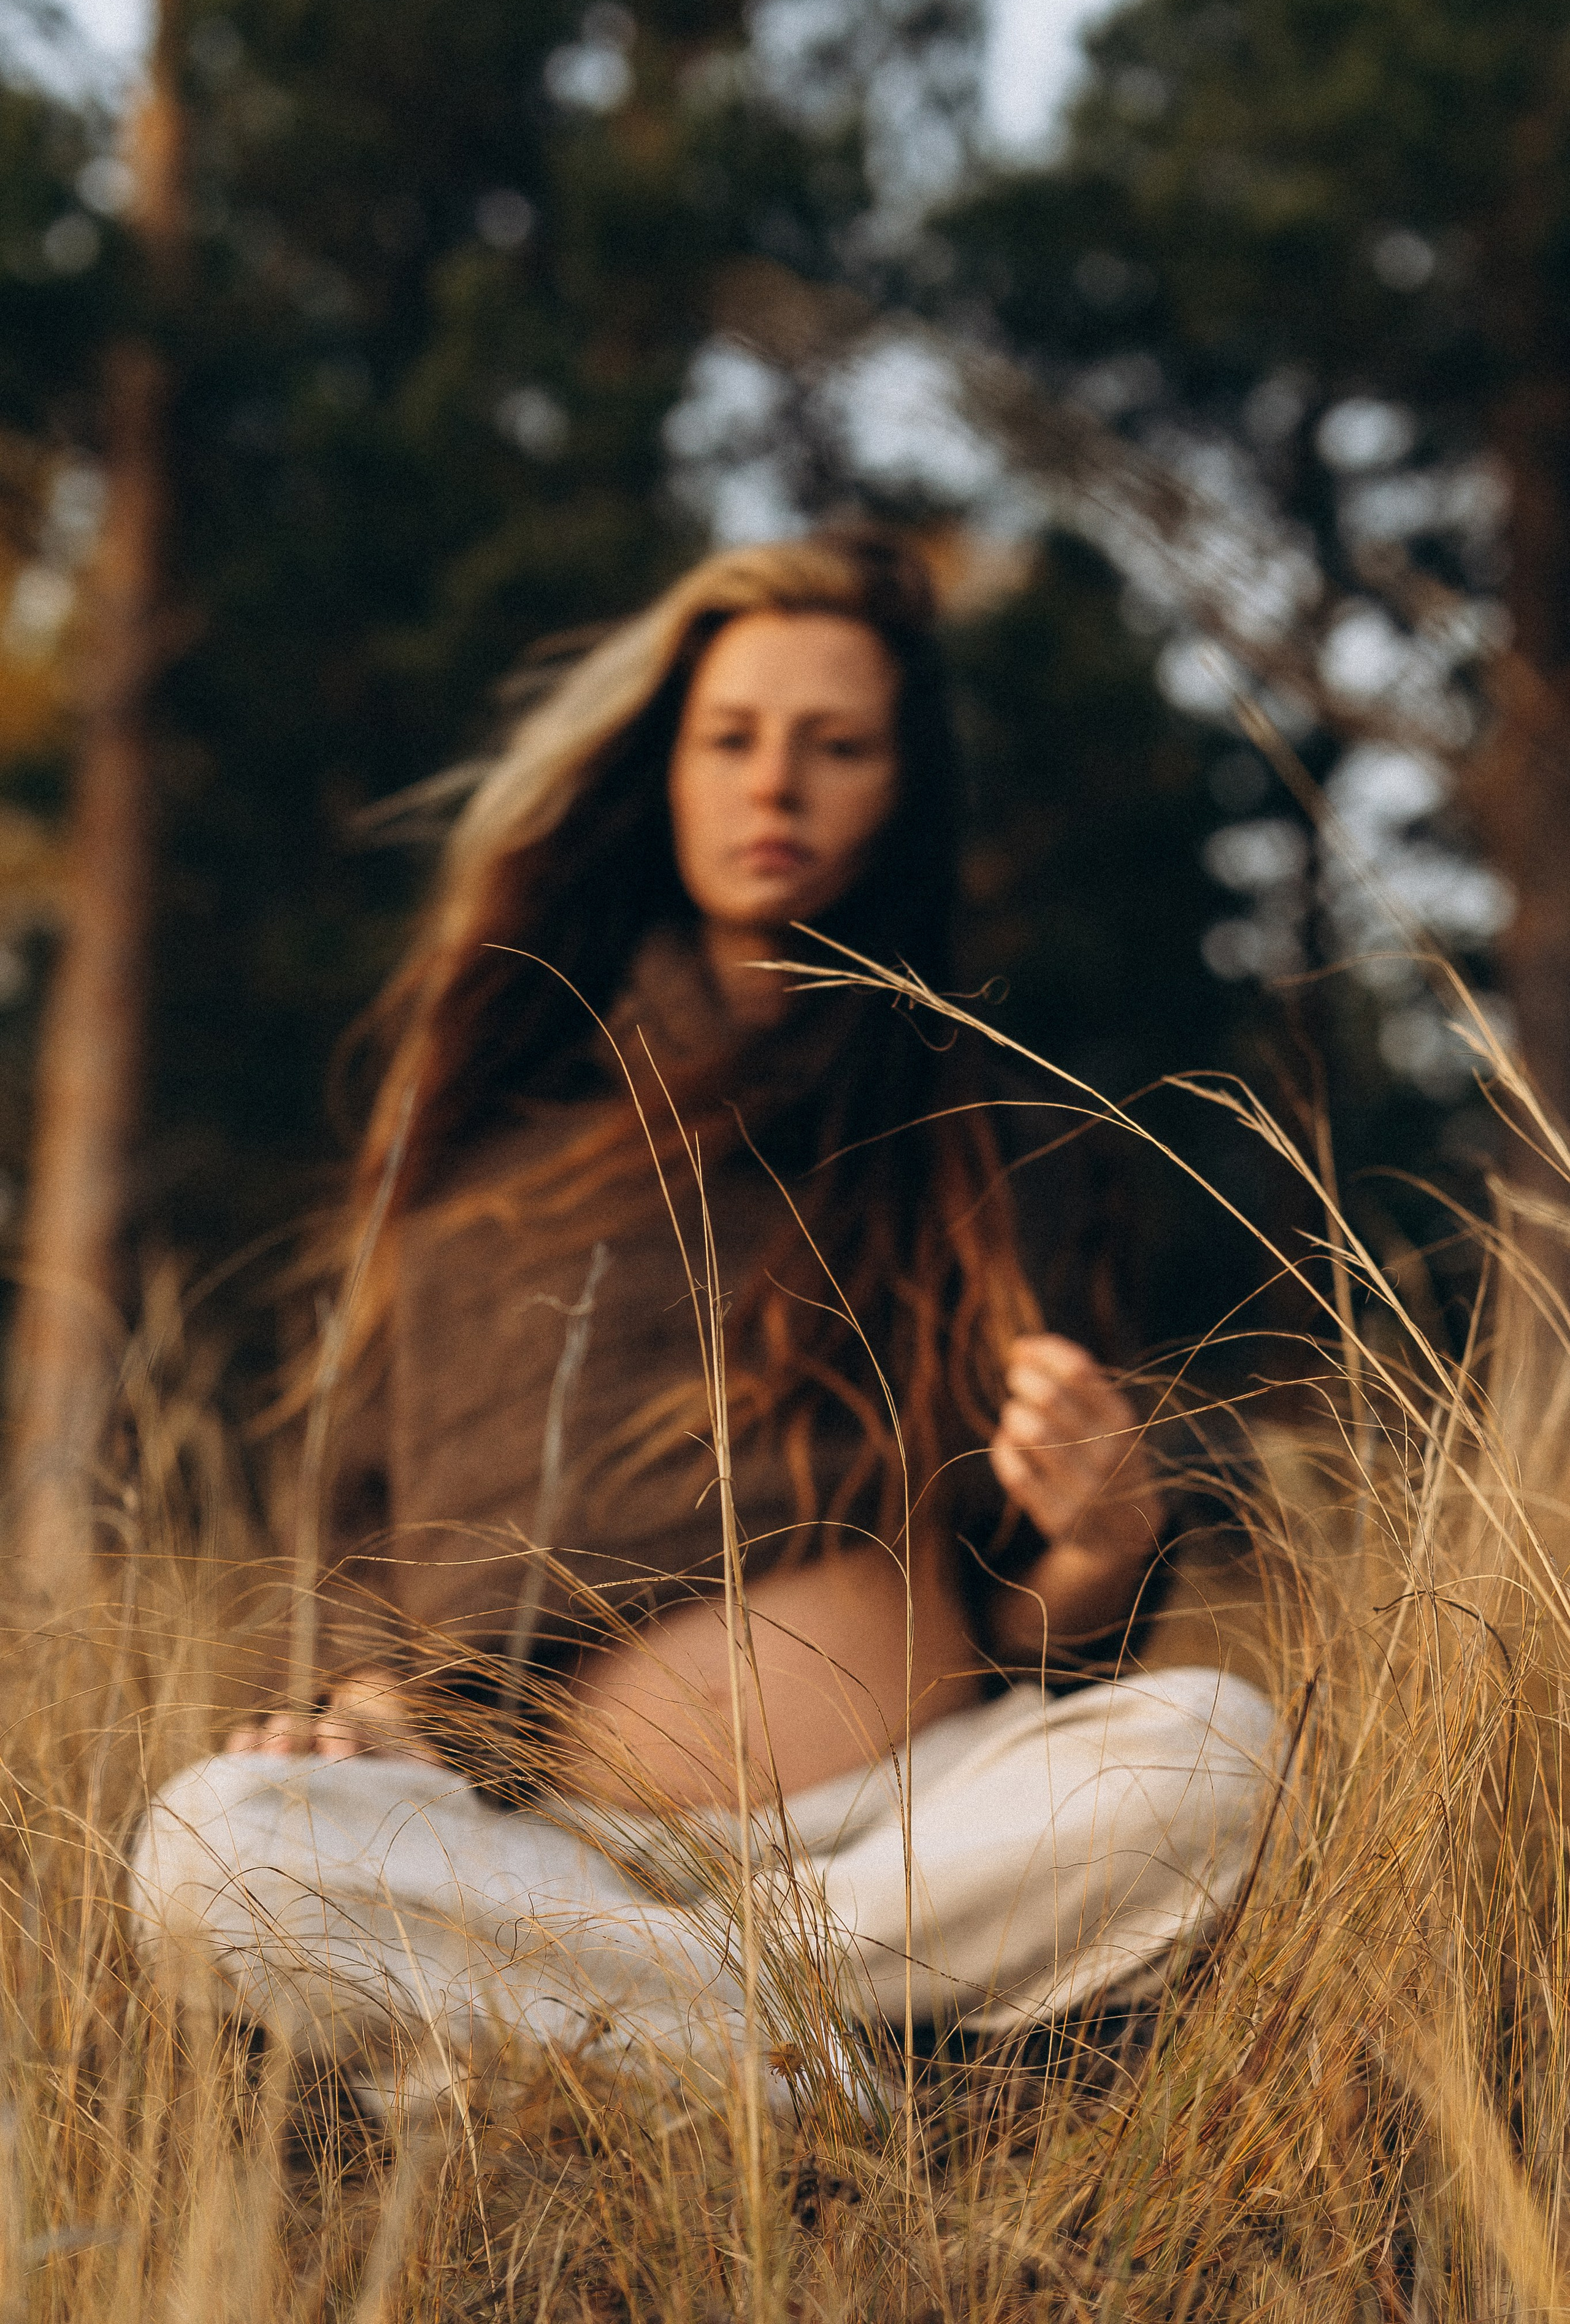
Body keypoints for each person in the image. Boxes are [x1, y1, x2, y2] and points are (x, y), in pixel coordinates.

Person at [130, 532, 1276, 2114]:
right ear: (661, 772)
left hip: (910, 1837)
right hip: (552, 1844)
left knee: (1212, 1745)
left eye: (838, 747)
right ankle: (815, 2068)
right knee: (214, 1846)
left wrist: (1105, 1534)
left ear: (905, 786)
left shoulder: (990, 1128)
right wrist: (361, 1709)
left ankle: (627, 2039)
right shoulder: (503, 1147)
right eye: (731, 740)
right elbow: (381, 1538)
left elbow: (1045, 1638)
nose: (776, 789)